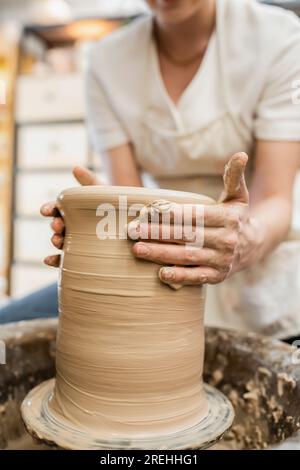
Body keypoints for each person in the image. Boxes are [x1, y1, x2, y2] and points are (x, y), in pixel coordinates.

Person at [1, 0, 300, 340]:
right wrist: (102, 219)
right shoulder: (106, 61)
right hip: (159, 260)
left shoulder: (279, 37)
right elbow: (131, 203)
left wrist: (246, 238)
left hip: (262, 269)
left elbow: (276, 198)